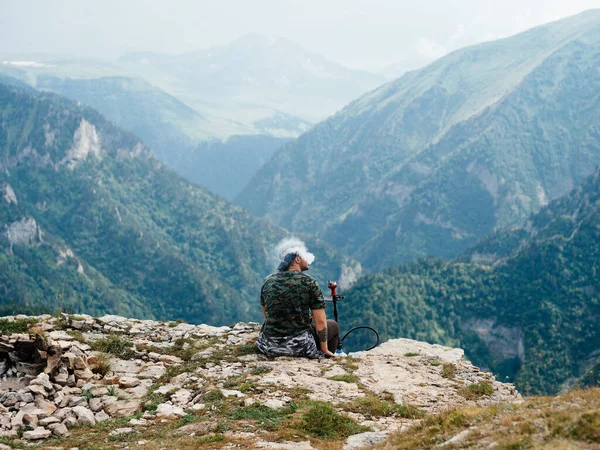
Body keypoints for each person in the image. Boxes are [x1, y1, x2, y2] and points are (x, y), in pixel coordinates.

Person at [256, 242, 339, 358]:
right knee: (333, 325)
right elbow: (320, 322)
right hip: (299, 346)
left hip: (269, 345)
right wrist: (324, 349)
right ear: (297, 259)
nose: (308, 259)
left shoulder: (268, 280)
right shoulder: (309, 282)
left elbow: (268, 314)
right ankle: (326, 357)